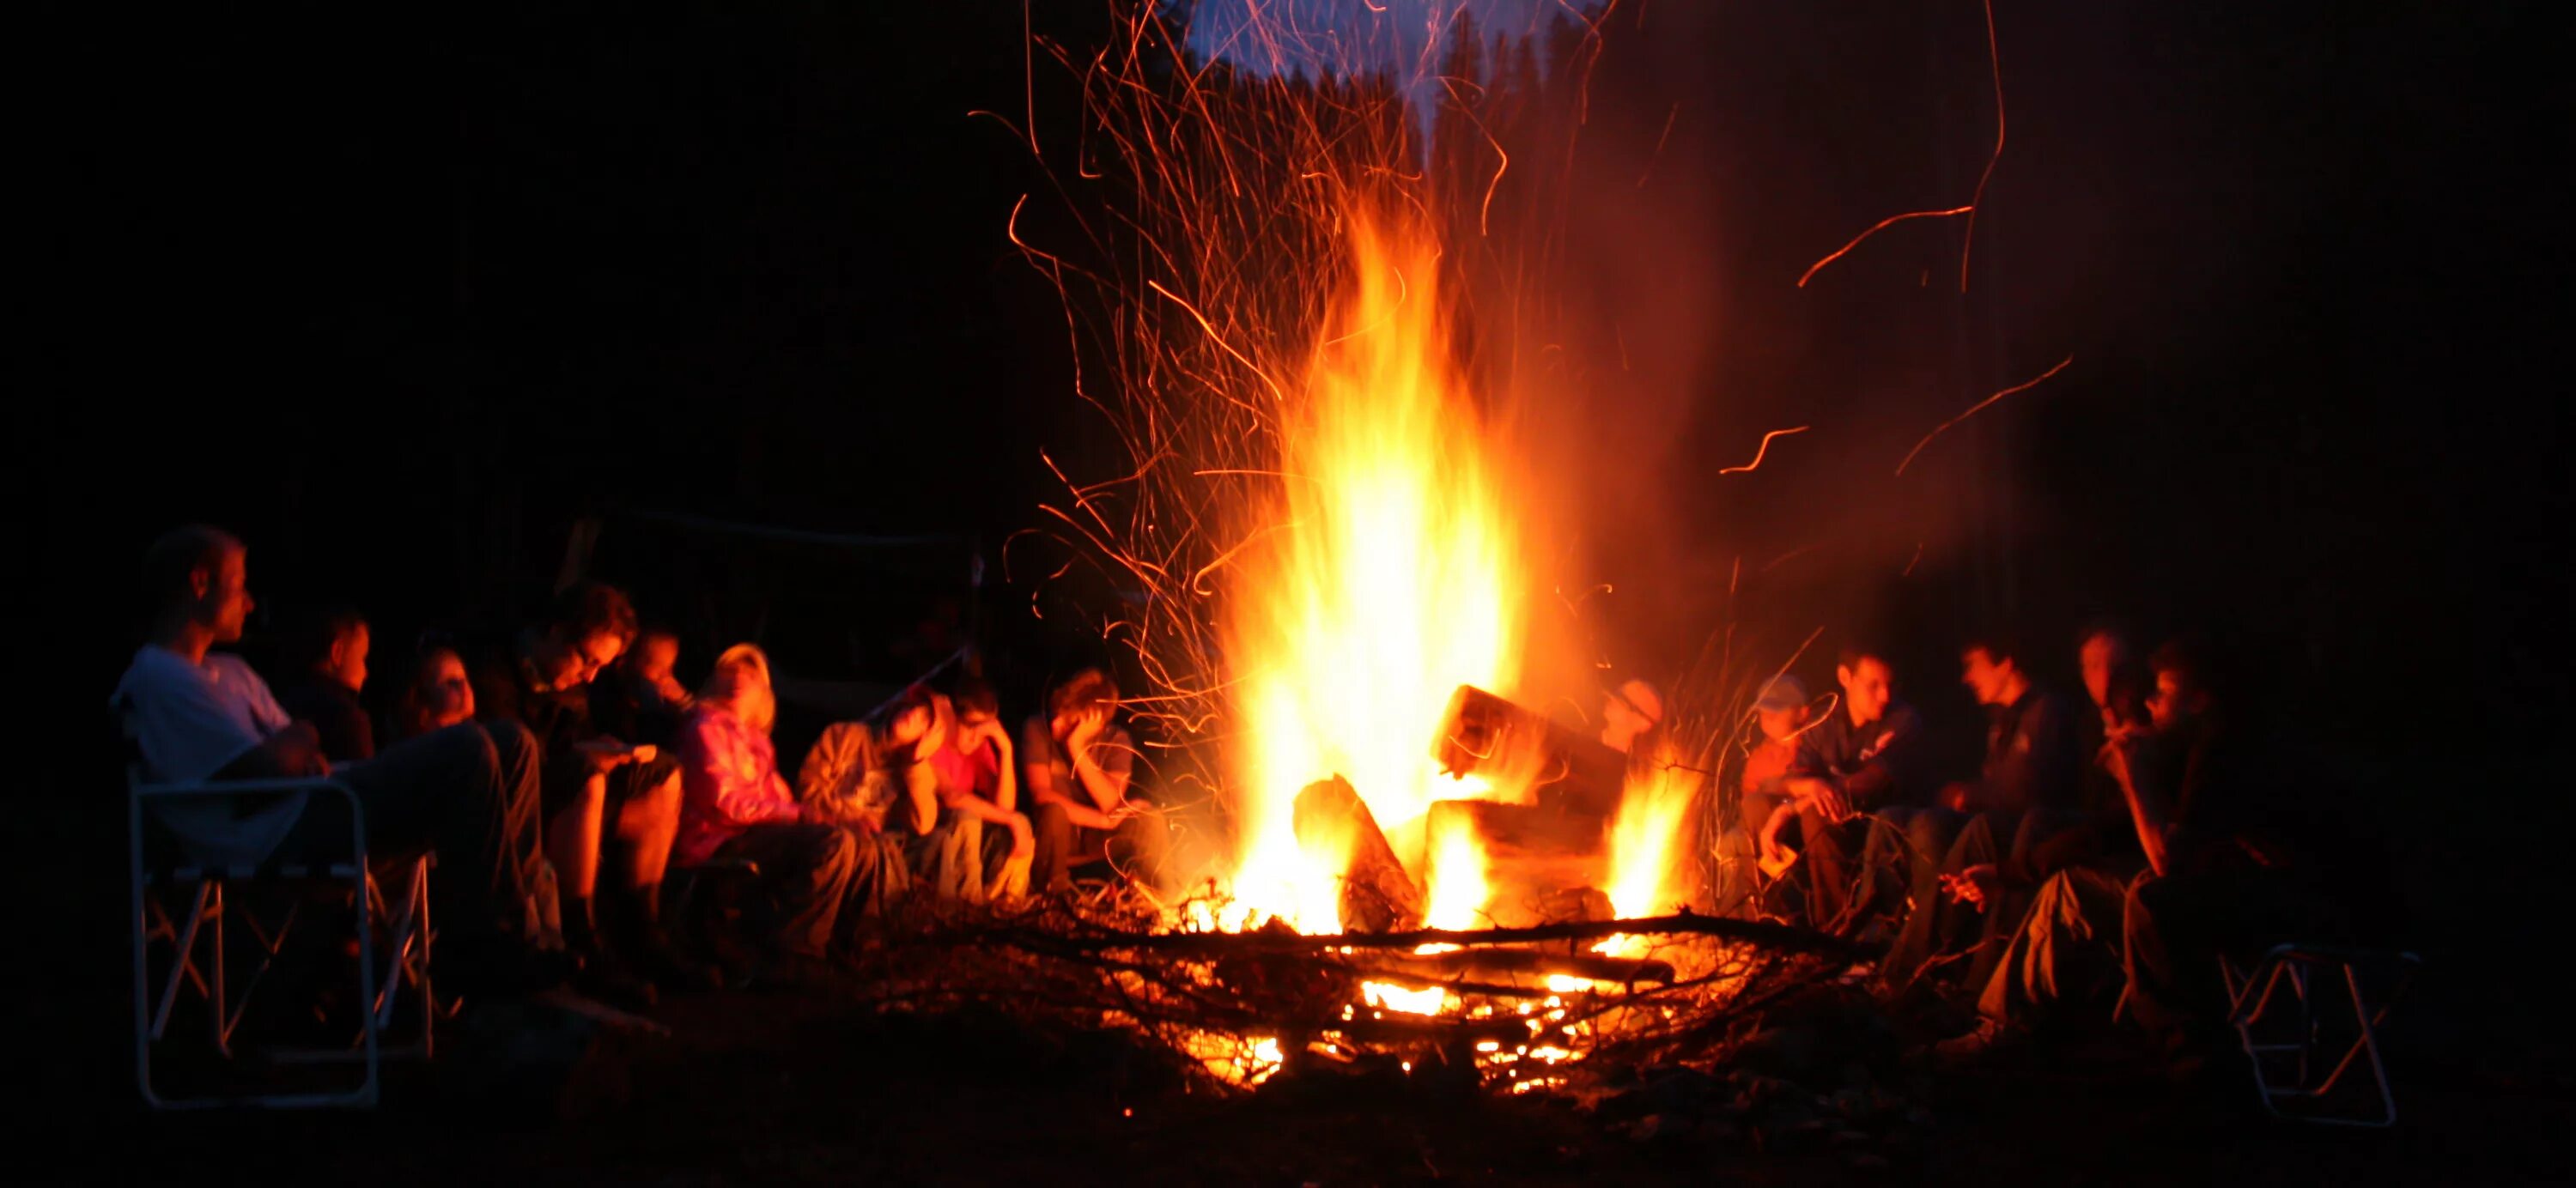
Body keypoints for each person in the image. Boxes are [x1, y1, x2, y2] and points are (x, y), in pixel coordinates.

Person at [110, 527, 569, 1007]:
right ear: (200, 583)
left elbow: (298, 751)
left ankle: (521, 937)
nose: (249, 603)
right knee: (468, 751)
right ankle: (484, 945)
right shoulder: (160, 678)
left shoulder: (232, 672)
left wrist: (295, 745)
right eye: (240, 584)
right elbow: (262, 778)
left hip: (321, 801)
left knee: (514, 743)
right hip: (276, 837)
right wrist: (294, 744)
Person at [470, 581, 695, 1002]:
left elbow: (576, 739)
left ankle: (643, 929)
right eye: (587, 660)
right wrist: (581, 757)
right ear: (555, 633)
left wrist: (612, 748)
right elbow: (506, 762)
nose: (590, 675)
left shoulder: (575, 685)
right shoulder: (493, 675)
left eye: (600, 667)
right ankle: (581, 939)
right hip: (514, 812)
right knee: (586, 775)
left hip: (572, 801)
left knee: (664, 773)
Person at [676, 645, 903, 982]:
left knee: (863, 842)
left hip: (754, 833)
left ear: (764, 691)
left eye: (751, 674)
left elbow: (782, 802)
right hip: (718, 839)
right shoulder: (704, 728)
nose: (739, 677)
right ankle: (794, 954)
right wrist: (801, 817)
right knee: (834, 844)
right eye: (731, 670)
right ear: (714, 680)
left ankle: (856, 947)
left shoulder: (757, 741)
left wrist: (831, 817)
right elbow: (727, 804)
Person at [1778, 646, 1942, 934]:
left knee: (1817, 814)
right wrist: (1805, 787)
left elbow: (1870, 781)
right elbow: (1791, 777)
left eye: (1891, 685)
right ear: (1845, 677)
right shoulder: (1824, 718)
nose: (1885, 696)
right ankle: (1773, 928)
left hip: (1881, 825)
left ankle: (1836, 937)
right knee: (1758, 808)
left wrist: (1794, 805)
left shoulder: (1903, 721)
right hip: (1834, 821)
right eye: (1874, 686)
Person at [1024, 669, 1168, 896]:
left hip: (1099, 844)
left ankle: (1151, 899)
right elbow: (1041, 795)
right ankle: (1052, 896)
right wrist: (1103, 821)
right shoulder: (1037, 728)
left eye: (1069, 721)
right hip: (1059, 838)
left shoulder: (1116, 741)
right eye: (1057, 713)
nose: (1056, 724)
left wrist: (1076, 748)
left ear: (1096, 724)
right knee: (1052, 812)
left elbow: (1110, 802)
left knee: (1149, 820)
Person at [929, 676, 1033, 897]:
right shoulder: (934, 742)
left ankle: (1008, 905)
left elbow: (1005, 806)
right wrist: (1010, 818)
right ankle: (968, 907)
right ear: (952, 718)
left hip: (962, 835)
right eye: (971, 726)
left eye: (985, 729)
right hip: (930, 839)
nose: (977, 736)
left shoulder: (980, 746)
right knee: (967, 818)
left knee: (1020, 823)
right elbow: (952, 797)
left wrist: (1005, 750)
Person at [275, 607, 374, 762]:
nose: (365, 672)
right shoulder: (349, 719)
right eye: (362, 658)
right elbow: (365, 783)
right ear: (337, 653)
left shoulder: (278, 705)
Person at [593, 627, 693, 751]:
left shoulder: (670, 707)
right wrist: (651, 706)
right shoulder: (608, 703)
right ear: (624, 666)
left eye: (669, 669)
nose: (665, 677)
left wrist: (684, 702)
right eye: (657, 667)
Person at [391, 642, 477, 742]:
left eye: (464, 678)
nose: (464, 685)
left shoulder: (474, 737)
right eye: (451, 682)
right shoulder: (420, 748)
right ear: (422, 699)